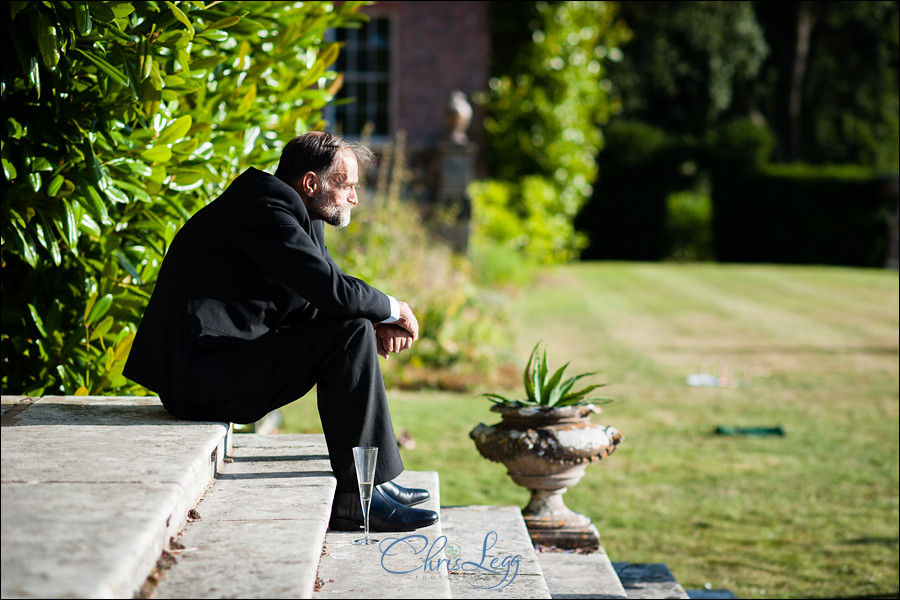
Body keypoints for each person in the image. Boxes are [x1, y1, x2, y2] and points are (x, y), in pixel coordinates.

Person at [123, 131, 438, 532]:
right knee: (351, 333)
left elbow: (322, 295)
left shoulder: (292, 211)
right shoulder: (264, 207)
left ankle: (371, 485)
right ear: (311, 183)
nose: (354, 198)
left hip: (222, 364)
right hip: (200, 379)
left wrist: (377, 319)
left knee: (354, 328)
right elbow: (330, 289)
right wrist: (396, 309)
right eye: (347, 186)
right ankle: (358, 497)